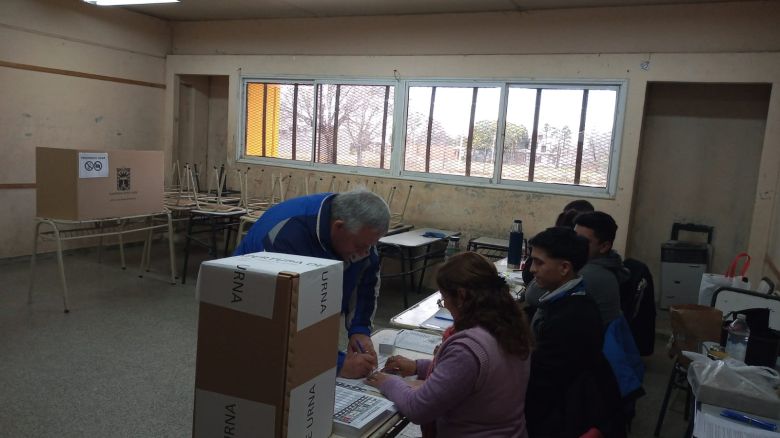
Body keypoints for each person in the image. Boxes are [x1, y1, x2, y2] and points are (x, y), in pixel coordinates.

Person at [366, 252, 533, 438]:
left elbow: (418, 408)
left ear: (461, 296)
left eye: (443, 298)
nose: (444, 304)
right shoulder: (508, 326)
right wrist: (418, 367)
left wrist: (388, 382)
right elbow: (474, 377)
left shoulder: (468, 348)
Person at [233, 188, 390, 379]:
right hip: (252, 314)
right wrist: (336, 364)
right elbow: (280, 317)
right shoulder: (287, 235)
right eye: (360, 246)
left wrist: (360, 330)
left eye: (370, 246)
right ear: (338, 227)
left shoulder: (357, 235)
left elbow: (366, 283)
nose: (365, 252)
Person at [524, 227, 624, 438]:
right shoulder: (571, 298)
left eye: (539, 262)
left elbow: (542, 384)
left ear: (564, 268)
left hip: (561, 418)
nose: (531, 269)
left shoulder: (570, 318)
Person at [572, 211, 629, 326]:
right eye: (573, 238)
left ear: (603, 247)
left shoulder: (590, 274)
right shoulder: (610, 264)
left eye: (582, 241)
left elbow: (533, 295)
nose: (573, 244)